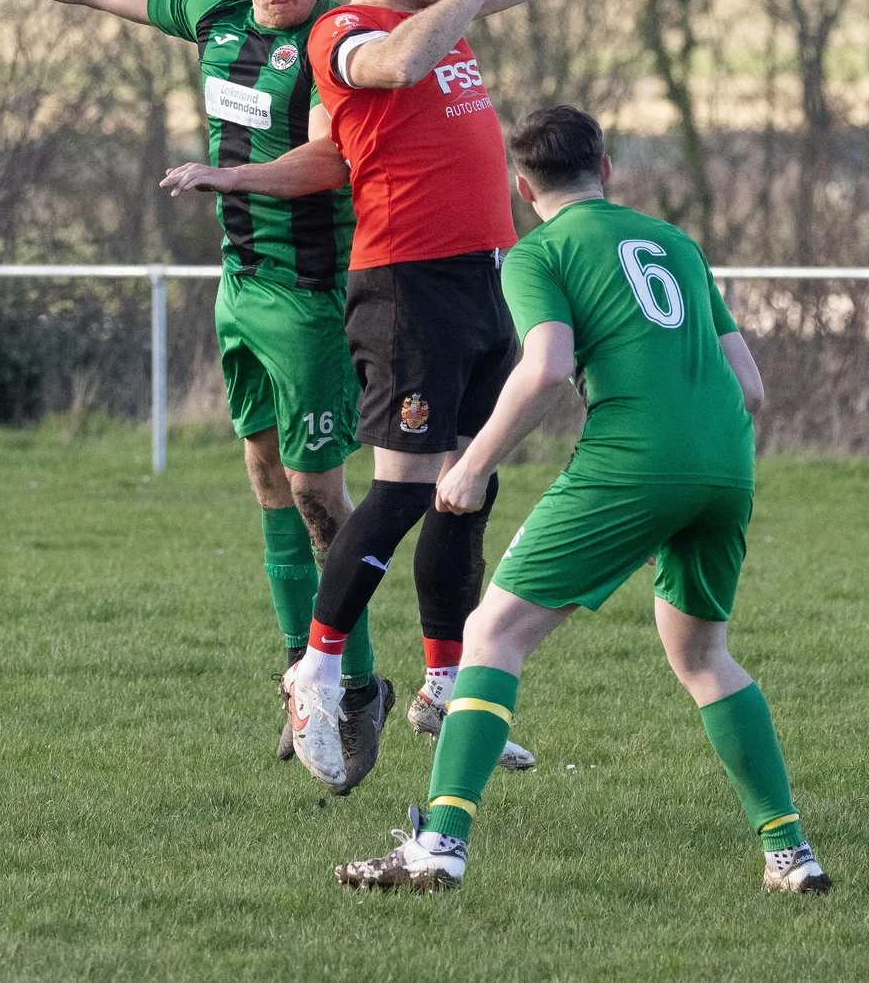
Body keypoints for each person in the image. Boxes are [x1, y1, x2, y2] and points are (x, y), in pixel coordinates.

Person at [0, 0, 395, 788]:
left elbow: (331, 161)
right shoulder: (217, 20)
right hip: (241, 289)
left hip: (311, 299)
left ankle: (357, 685)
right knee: (263, 477)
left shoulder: (335, 39)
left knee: (320, 497)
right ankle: (304, 677)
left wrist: (227, 172)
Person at [335, 105, 830, 894]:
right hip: (727, 462)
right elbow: (752, 388)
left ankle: (439, 846)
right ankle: (789, 853)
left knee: (491, 635)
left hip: (633, 458)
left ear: (523, 189)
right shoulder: (674, 243)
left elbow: (546, 364)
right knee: (704, 656)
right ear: (607, 170)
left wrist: (471, 467)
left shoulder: (538, 254)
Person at [261, 0, 625, 791]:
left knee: (471, 482)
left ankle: (442, 687)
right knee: (405, 489)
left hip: (481, 278)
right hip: (406, 286)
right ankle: (320, 670)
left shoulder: (446, 8)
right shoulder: (345, 29)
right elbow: (395, 63)